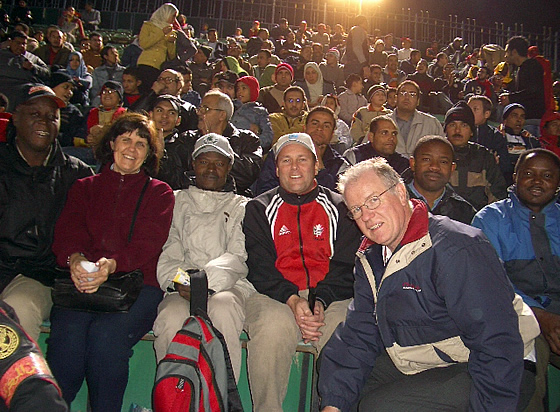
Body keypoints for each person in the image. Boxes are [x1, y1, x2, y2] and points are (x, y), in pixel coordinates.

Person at [318, 157, 539, 412]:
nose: (367, 216)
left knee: (380, 407)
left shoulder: (456, 249)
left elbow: (496, 341)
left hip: (500, 364)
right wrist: (333, 405)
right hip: (430, 356)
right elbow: (360, 333)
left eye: (373, 200)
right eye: (356, 209)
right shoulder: (372, 257)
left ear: (401, 192)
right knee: (334, 379)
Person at [48, 112, 174, 412]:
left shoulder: (159, 193)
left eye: (141, 144)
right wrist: (75, 260)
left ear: (149, 153)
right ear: (112, 143)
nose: (132, 148)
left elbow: (148, 243)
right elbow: (67, 232)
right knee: (67, 339)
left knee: (107, 340)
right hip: (83, 282)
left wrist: (112, 265)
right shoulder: (84, 187)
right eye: (126, 139)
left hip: (136, 286)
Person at [244, 132, 361, 412]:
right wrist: (294, 300)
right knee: (271, 328)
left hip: (332, 295)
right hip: (276, 294)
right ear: (276, 169)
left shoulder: (341, 207)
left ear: (316, 165)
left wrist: (320, 301)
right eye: (286, 160)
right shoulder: (259, 208)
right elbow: (260, 268)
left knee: (342, 329)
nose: (294, 167)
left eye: (303, 160)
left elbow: (347, 265)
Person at [154, 133, 255, 380]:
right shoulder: (175, 201)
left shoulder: (242, 206)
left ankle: (221, 394)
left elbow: (237, 256)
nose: (211, 169)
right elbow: (169, 252)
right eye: (203, 162)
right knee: (170, 317)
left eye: (219, 163)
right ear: (193, 164)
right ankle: (174, 395)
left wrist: (202, 283)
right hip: (181, 287)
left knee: (222, 308)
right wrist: (182, 281)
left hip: (227, 286)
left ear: (228, 168)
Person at [0, 84, 92, 342]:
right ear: (15, 117)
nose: (44, 121)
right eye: (35, 114)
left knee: (18, 309)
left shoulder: (77, 174)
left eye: (52, 116)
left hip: (39, 276)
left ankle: (20, 371)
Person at [472, 148, 560, 368]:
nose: (537, 181)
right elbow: (492, 284)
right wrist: (541, 317)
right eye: (529, 174)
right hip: (518, 315)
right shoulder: (490, 220)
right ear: (515, 177)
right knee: (527, 358)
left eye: (547, 176)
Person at [158, 90, 262, 195]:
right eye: (200, 108)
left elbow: (246, 177)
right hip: (192, 199)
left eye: (205, 109)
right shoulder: (187, 139)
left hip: (231, 200)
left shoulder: (247, 140)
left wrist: (215, 143)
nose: (199, 113)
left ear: (222, 115)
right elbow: (173, 178)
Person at [256, 107, 349, 194]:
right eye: (314, 123)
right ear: (304, 128)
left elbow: (337, 198)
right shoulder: (280, 150)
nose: (319, 128)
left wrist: (320, 167)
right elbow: (264, 188)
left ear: (332, 134)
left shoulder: (339, 165)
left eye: (326, 126)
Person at [444, 101, 507, 210]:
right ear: (445, 130)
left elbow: (498, 195)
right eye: (452, 125)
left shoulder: (484, 156)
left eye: (464, 125)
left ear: (472, 132)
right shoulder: (436, 154)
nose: (457, 130)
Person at [407, 135, 476, 224]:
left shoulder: (465, 212)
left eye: (443, 162)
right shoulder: (394, 201)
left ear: (452, 168)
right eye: (426, 159)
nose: (434, 167)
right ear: (413, 163)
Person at [500, 36, 546, 136]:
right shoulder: (522, 68)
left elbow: (532, 91)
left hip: (531, 121)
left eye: (507, 52)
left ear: (514, 52)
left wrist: (511, 98)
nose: (505, 56)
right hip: (527, 120)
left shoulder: (531, 66)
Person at [389, 80, 445, 157]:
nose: (407, 97)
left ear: (418, 101)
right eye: (403, 93)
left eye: (412, 94)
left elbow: (442, 150)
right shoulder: (383, 122)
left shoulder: (431, 123)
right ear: (396, 98)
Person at [0, 31, 50, 111]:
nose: (21, 46)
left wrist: (33, 67)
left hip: (27, 87)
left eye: (24, 44)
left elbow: (47, 72)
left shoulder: (32, 58)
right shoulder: (2, 55)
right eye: (18, 43)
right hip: (5, 85)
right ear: (10, 42)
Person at [344, 115, 409, 176]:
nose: (391, 138)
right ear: (371, 137)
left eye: (394, 133)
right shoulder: (354, 156)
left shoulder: (402, 164)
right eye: (384, 133)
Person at [136, 3, 179, 94]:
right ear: (166, 14)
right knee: (143, 92)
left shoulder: (171, 31)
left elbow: (171, 56)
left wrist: (171, 42)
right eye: (173, 16)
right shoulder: (148, 25)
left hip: (159, 67)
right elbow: (144, 44)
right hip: (145, 64)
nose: (174, 20)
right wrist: (162, 33)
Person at [500, 103, 541, 186]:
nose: (519, 120)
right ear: (505, 120)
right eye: (514, 116)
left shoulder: (531, 141)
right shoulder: (496, 137)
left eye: (522, 116)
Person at [231, 76, 273, 151]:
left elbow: (268, 136)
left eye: (244, 88)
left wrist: (253, 144)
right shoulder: (231, 106)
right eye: (238, 89)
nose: (240, 92)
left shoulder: (260, 111)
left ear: (252, 90)